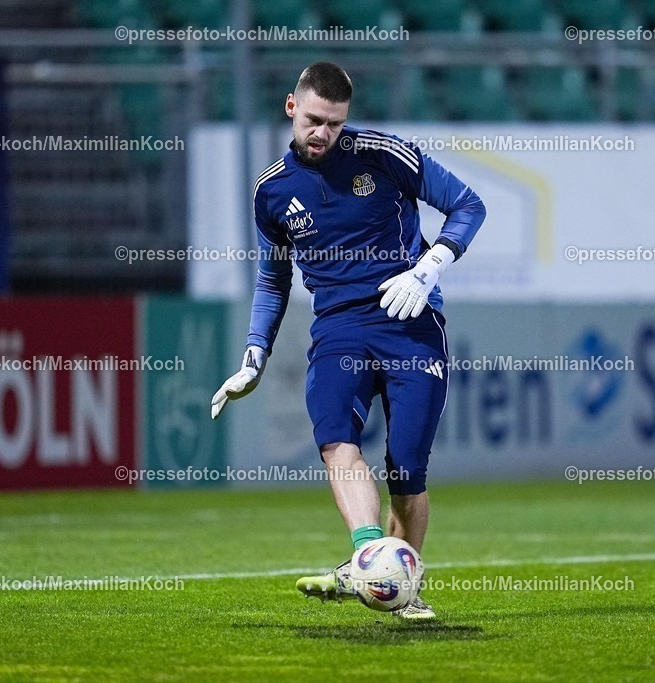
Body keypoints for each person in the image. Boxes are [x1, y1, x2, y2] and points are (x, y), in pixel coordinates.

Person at [211, 62, 486, 620]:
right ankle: (372, 563)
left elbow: (469, 205)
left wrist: (430, 266)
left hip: (409, 318)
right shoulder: (271, 192)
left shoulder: (386, 155)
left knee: (407, 469)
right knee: (337, 438)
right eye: (314, 120)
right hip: (337, 328)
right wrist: (254, 352)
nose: (323, 133)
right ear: (292, 107)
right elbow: (273, 279)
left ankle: (393, 577)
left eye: (335, 124)